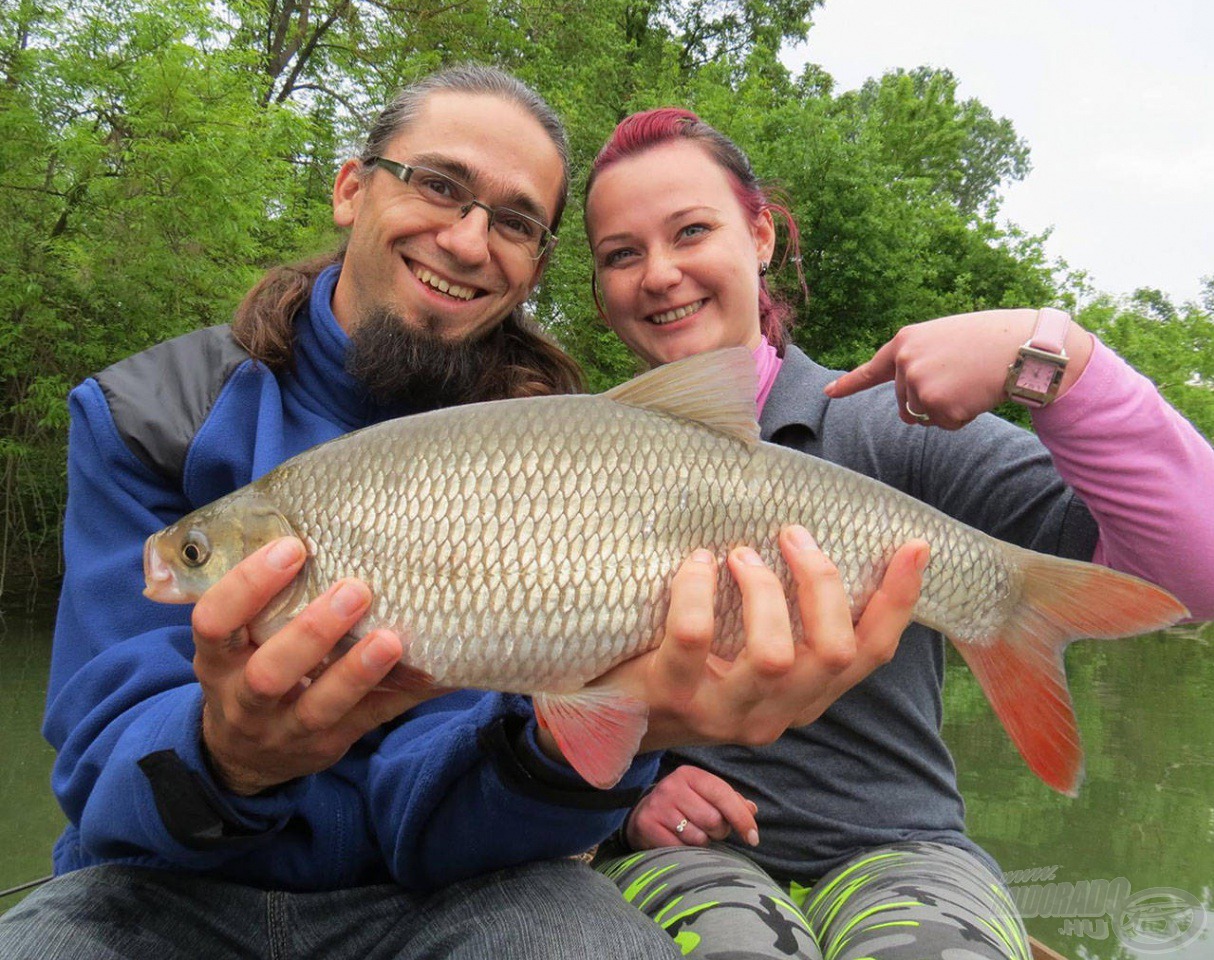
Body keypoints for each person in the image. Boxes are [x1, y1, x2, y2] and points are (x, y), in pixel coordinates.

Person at [0, 68, 928, 960]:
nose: (470, 240)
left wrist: (601, 739)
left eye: (516, 222)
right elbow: (98, 774)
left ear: (533, 265)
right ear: (351, 189)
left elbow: (453, 818)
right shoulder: (145, 414)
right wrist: (225, 756)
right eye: (439, 186)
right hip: (161, 893)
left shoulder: (553, 454)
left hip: (453, 895)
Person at [581, 107, 1214, 960]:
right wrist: (625, 793)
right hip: (684, 859)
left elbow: (1194, 578)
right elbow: (513, 687)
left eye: (691, 231)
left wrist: (1056, 362)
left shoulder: (890, 426)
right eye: (622, 254)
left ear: (760, 235)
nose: (659, 274)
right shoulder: (566, 462)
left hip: (904, 854)